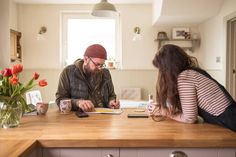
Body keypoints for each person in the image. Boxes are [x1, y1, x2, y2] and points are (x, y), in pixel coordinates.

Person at [148, 44, 236, 131]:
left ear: (168, 67)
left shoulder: (185, 77)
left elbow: (189, 118)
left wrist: (166, 113)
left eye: (162, 69)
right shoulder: (191, 73)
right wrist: (163, 109)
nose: (161, 73)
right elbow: (188, 108)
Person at [56, 44, 120, 112]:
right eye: (97, 64)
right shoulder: (68, 72)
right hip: (77, 119)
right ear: (86, 59)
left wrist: (111, 102)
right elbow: (60, 100)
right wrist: (78, 102)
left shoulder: (106, 73)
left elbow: (112, 95)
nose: (100, 68)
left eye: (102, 65)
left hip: (104, 118)